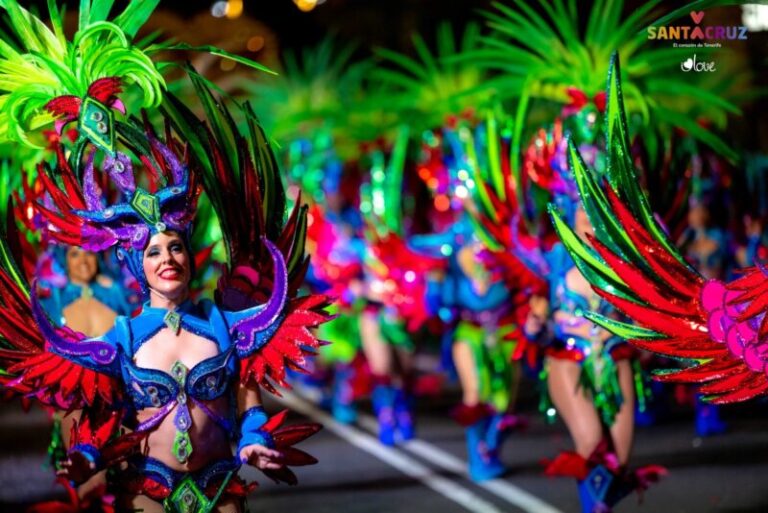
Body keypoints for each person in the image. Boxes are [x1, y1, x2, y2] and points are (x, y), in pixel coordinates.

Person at [0, 2, 331, 512]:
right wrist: (87, 455)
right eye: (153, 251)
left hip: (219, 485)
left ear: (190, 256)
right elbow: (102, 419)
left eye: (175, 246)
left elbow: (250, 408)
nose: (167, 257)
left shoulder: (226, 326)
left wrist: (254, 442)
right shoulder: (123, 340)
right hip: (149, 489)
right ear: (139, 267)